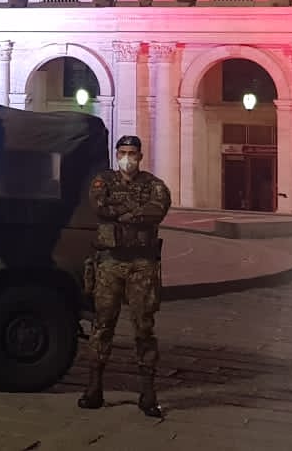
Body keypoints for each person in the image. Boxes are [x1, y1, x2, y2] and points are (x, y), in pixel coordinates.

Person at [79, 133, 172, 417]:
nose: (127, 158)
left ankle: (148, 392)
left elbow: (158, 210)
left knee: (144, 327)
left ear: (140, 156)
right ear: (116, 153)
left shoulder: (154, 184)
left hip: (141, 265)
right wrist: (135, 212)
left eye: (132, 153)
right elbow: (98, 206)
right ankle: (94, 388)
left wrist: (121, 213)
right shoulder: (103, 181)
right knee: (102, 325)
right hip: (109, 263)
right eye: (123, 152)